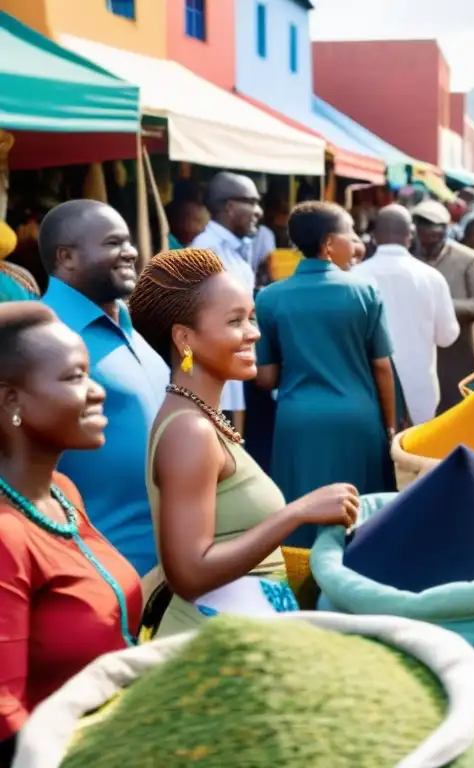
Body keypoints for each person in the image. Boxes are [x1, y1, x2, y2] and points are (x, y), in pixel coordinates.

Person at [127, 249, 359, 637]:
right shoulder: (190, 431)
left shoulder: (201, 419)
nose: (254, 333)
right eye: (236, 321)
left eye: (251, 317)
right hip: (209, 650)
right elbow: (188, 573)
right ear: (185, 338)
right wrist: (297, 513)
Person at [0, 302, 141, 758]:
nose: (97, 391)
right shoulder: (6, 535)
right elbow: (5, 719)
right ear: (11, 402)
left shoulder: (63, 492)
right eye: (73, 377)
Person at [254, 203, 397, 546]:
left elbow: (266, 378)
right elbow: (382, 367)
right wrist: (390, 425)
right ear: (330, 243)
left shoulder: (270, 298)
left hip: (298, 423)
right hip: (357, 419)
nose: (357, 243)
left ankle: (303, 586)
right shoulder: (365, 292)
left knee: (300, 516)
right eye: (350, 234)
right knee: (361, 518)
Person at [38, 200, 168, 577]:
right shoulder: (41, 336)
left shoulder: (132, 326)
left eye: (128, 242)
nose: (130, 252)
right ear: (67, 257)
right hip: (98, 567)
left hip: (171, 564)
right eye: (113, 243)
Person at [358, 205, 459, 425]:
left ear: (374, 237)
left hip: (367, 390)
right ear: (410, 236)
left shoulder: (355, 277)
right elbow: (447, 337)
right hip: (420, 392)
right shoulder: (432, 277)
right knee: (412, 455)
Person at [190, 172, 264, 437]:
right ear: (229, 206)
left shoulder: (236, 257)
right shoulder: (204, 253)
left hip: (233, 376)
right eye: (252, 202)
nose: (259, 211)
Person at [411, 199, 474, 414]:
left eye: (435, 229)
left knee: (461, 415)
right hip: (419, 354)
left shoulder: (466, 258)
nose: (429, 234)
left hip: (459, 356)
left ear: (445, 230)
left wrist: (442, 306)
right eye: (423, 227)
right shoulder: (409, 258)